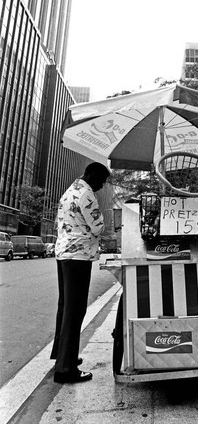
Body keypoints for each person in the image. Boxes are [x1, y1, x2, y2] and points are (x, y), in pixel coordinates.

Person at [50, 162, 110, 383]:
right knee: (75, 310)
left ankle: (61, 355)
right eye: (101, 181)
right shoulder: (86, 194)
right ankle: (65, 369)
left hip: (64, 252)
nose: (102, 186)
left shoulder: (70, 190)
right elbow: (98, 227)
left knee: (65, 305)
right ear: (93, 175)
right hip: (78, 255)